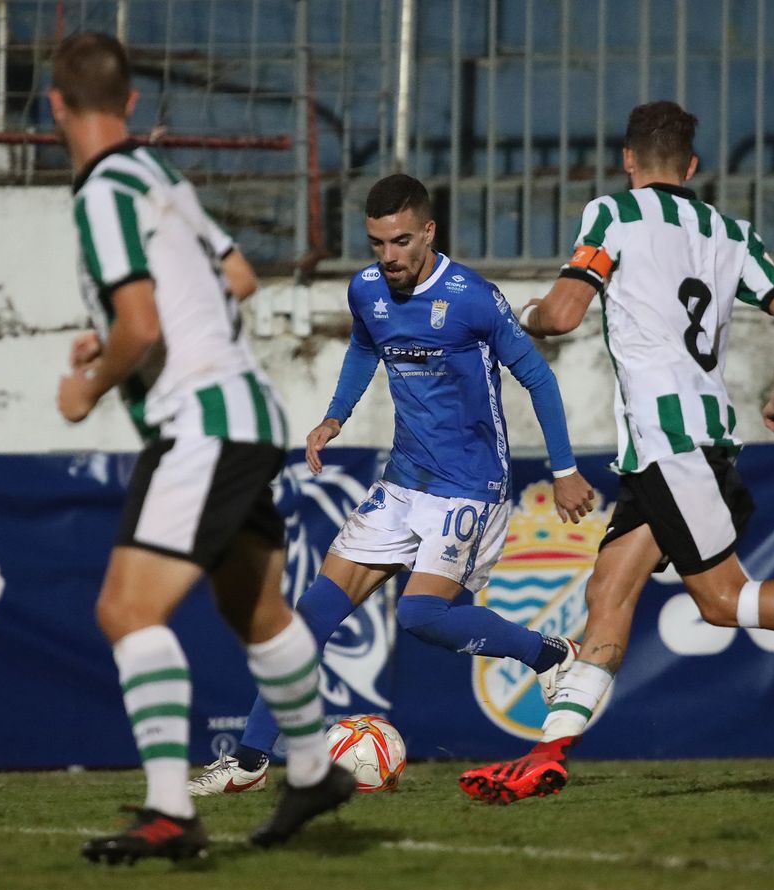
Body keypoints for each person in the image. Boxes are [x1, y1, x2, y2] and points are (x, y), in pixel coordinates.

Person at [457, 101, 774, 805]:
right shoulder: (729, 231)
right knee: (609, 590)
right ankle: (547, 754)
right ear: (692, 167)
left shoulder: (614, 215)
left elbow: (564, 315)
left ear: (628, 160)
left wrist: (528, 311)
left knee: (723, 599)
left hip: (669, 445)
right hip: (694, 439)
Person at [189, 173, 598, 795]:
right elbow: (363, 348)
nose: (390, 257)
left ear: (428, 232)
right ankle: (247, 763)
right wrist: (334, 416)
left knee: (419, 614)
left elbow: (538, 380)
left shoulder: (471, 297)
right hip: (402, 483)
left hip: (469, 486)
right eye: (378, 243)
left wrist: (565, 471)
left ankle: (548, 654)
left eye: (401, 241)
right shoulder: (367, 290)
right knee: (308, 620)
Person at [48, 32, 354, 862]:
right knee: (252, 608)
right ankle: (312, 768)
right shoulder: (159, 175)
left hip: (202, 423)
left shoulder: (102, 192)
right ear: (133, 103)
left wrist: (93, 381)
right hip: (249, 411)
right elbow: (239, 277)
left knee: (126, 609)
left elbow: (144, 322)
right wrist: (118, 337)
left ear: (55, 105)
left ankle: (169, 811)